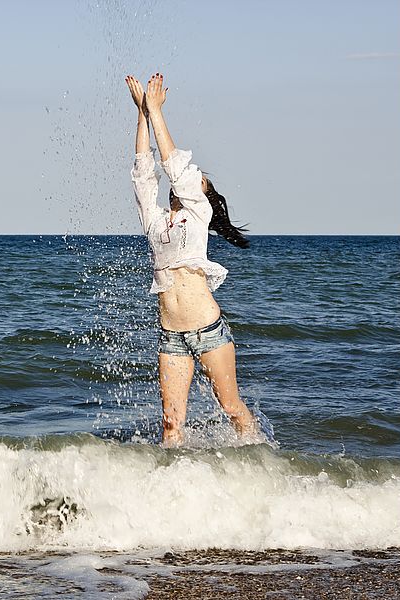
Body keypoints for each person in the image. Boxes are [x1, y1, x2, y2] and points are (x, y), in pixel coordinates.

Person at [125, 72, 256, 446]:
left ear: (204, 194)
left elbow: (175, 169)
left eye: (198, 179)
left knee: (231, 408)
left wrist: (157, 111)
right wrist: (142, 115)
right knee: (170, 424)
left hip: (208, 329)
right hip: (171, 335)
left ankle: (261, 462)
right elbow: (143, 175)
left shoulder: (199, 213)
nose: (186, 181)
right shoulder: (156, 222)